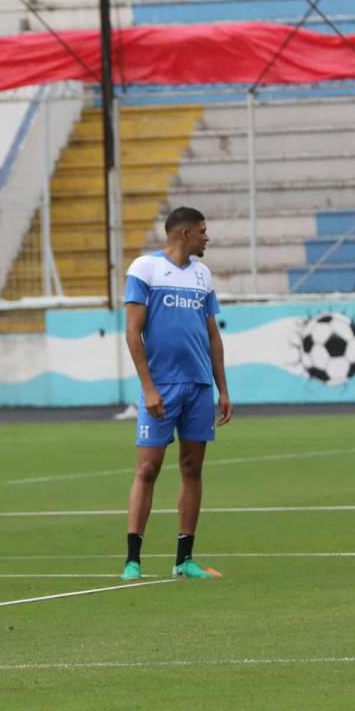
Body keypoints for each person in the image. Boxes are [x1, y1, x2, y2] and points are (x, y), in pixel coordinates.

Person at [120, 206, 232, 581]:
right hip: (161, 387)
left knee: (192, 468)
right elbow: (132, 332)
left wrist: (222, 388)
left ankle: (184, 559)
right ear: (184, 233)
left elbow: (213, 335)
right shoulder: (144, 269)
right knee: (148, 468)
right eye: (202, 230)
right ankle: (133, 560)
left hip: (198, 386)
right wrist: (148, 388)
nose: (206, 237)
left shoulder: (202, 275)